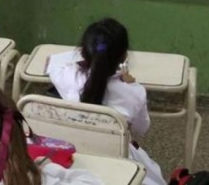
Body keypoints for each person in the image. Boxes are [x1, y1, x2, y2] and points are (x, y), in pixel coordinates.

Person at [47, 18, 164, 185]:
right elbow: (141, 129)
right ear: (124, 55)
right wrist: (131, 84)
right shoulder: (133, 92)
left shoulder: (67, 76)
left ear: (83, 52)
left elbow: (53, 63)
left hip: (72, 156)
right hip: (117, 160)